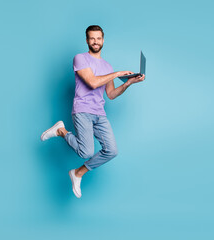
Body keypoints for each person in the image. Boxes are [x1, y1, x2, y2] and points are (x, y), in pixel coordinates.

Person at [41, 25, 145, 198]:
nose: (95, 41)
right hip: (82, 110)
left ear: (103, 40)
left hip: (100, 113)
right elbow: (93, 83)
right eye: (92, 38)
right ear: (87, 40)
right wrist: (117, 73)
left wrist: (128, 83)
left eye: (98, 38)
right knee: (86, 152)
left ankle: (78, 173)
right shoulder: (80, 59)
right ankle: (61, 130)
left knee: (111, 151)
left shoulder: (107, 66)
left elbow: (110, 94)